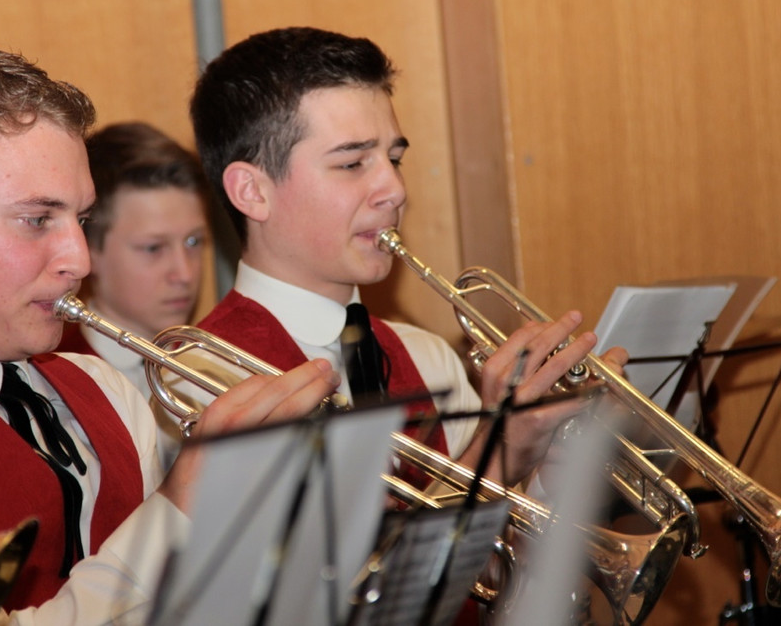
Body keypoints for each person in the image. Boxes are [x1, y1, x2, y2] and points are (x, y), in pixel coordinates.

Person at [0, 45, 338, 625]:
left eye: (80, 221)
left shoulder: (104, 387)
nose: (79, 260)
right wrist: (185, 504)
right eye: (37, 220)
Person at [183, 26, 628, 489]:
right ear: (252, 192)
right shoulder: (196, 378)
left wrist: (553, 469)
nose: (395, 190)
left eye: (394, 159)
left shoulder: (428, 357)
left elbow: (496, 539)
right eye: (352, 163)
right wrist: (499, 451)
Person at [56, 121, 210, 467]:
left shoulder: (213, 364)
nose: (185, 274)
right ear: (90, 251)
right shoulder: (56, 378)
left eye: (194, 241)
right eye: (153, 248)